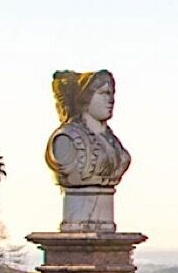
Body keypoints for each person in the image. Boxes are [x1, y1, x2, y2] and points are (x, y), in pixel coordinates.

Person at [44, 70, 130, 232]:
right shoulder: (66, 139)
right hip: (78, 212)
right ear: (86, 99)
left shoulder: (113, 142)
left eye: (112, 94)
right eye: (103, 93)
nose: (110, 100)